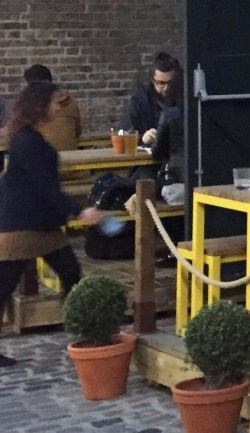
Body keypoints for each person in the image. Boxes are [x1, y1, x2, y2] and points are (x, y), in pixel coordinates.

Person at [0, 82, 104, 365]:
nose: (58, 108)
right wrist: (79, 211)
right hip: (22, 226)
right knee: (4, 285)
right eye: (53, 103)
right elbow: (45, 187)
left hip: (41, 225)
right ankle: (80, 328)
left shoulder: (28, 137)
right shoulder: (27, 141)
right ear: (40, 105)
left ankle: (80, 328)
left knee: (71, 272)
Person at [119, 52, 179, 150]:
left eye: (170, 82)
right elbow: (122, 134)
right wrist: (142, 138)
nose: (166, 88)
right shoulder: (138, 102)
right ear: (152, 80)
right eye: (161, 83)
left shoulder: (183, 98)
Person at [21, 64, 83, 152]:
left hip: (43, 156)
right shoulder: (70, 102)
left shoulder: (29, 105)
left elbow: (16, 133)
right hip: (70, 152)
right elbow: (78, 132)